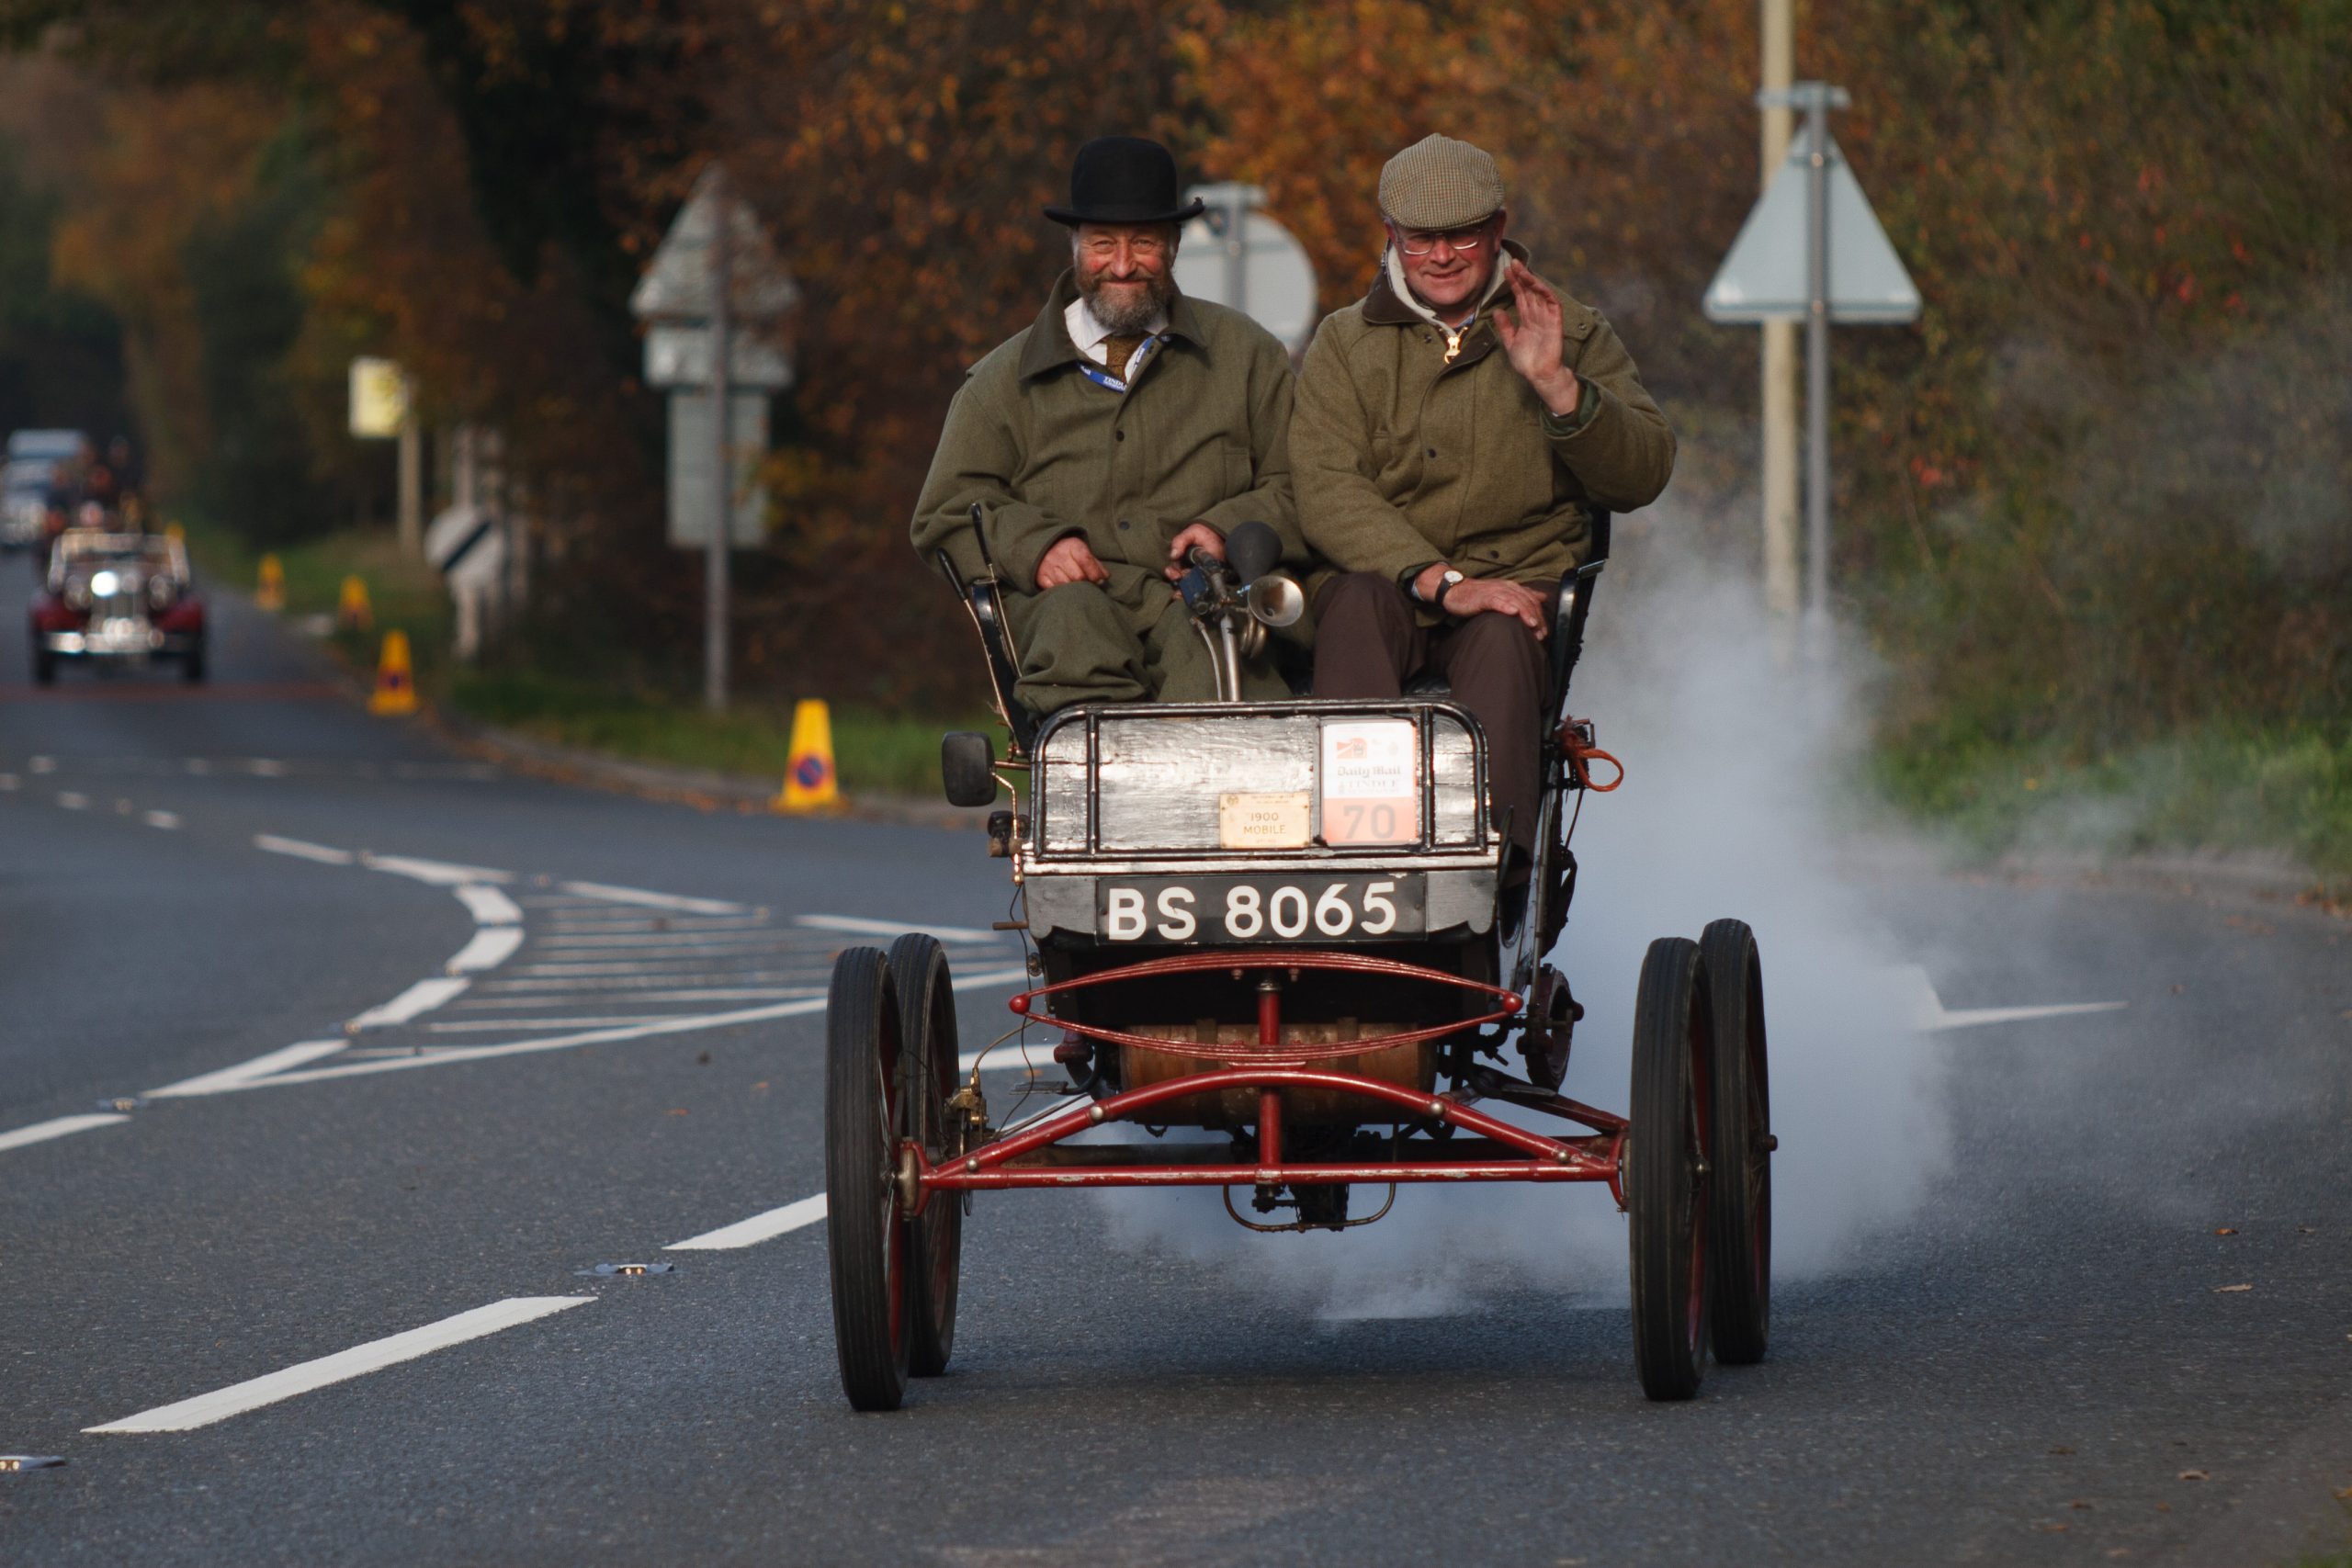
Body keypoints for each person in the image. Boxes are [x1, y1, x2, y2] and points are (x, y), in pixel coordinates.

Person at [1292, 132, 1675, 879]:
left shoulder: (1573, 328)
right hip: (1392, 588)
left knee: (1503, 633)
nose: (1440, 255)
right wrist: (1444, 583)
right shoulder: (1343, 343)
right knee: (1354, 604)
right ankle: (1359, 863)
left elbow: (1643, 476)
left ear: (1498, 228)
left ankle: (1495, 880)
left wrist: (1559, 387)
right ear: (1390, 234)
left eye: (1461, 234)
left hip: (1515, 592)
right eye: (1419, 238)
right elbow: (1325, 487)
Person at [911, 136, 1304, 714]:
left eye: (1143, 242)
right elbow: (942, 514)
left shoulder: (1249, 357)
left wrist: (1226, 528)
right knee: (1075, 629)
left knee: (1218, 673)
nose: (1122, 265)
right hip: (1066, 623)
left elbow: (1302, 486)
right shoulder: (1000, 381)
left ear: (1172, 246)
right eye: (1102, 244)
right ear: (1073, 247)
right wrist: (1035, 546)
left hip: (1201, 604)